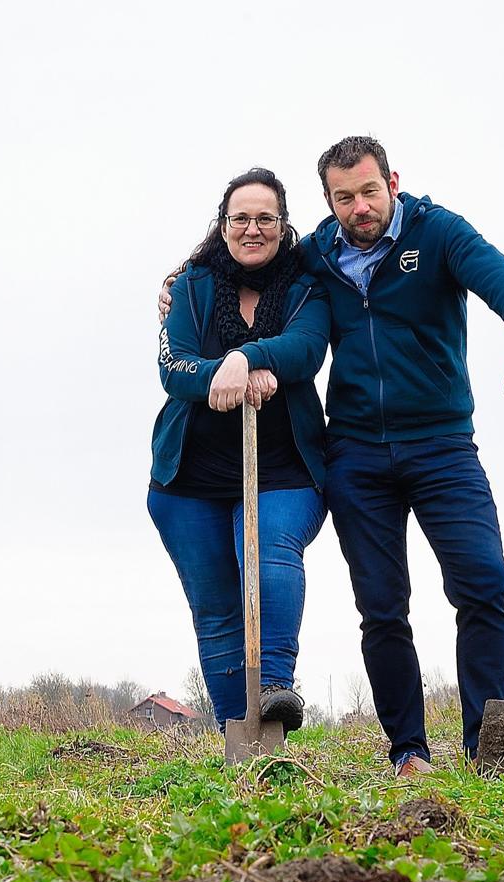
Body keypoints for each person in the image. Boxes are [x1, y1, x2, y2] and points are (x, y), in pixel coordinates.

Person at [160, 136, 504, 774]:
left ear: (392, 182)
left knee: (483, 584)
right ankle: (408, 751)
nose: (360, 208)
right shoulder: (318, 251)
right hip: (355, 452)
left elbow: (500, 279)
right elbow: (244, 251)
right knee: (381, 606)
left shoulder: (438, 235)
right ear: (328, 202)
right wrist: (178, 280)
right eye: (344, 198)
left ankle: (487, 748)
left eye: (369, 191)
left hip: (441, 444)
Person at [151, 166, 332, 734]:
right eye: (241, 218)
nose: (252, 229)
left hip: (284, 469)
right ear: (223, 225)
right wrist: (219, 374)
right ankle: (240, 734)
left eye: (265, 218)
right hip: (191, 479)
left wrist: (249, 357)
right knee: (218, 609)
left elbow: (307, 348)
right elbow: (172, 366)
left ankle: (276, 689)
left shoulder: (309, 284)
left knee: (268, 548)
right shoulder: (191, 287)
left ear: (283, 224)